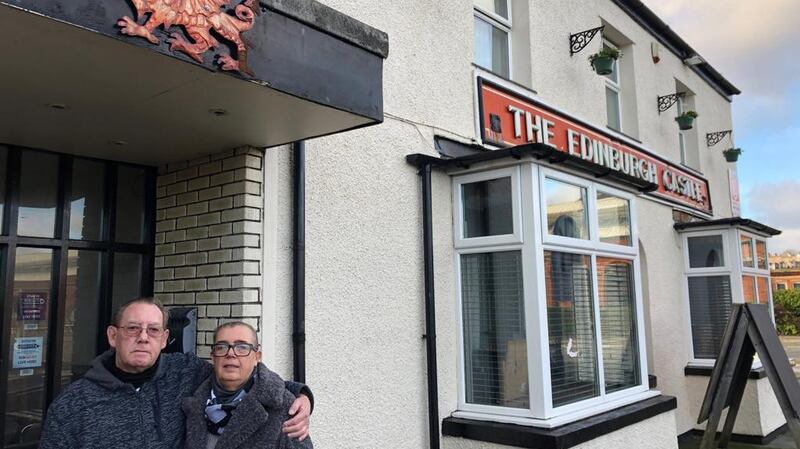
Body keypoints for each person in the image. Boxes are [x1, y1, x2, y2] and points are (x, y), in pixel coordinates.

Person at [40, 297, 311, 448]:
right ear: (113, 336)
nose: (143, 337)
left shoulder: (185, 373)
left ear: (164, 338)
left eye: (153, 330)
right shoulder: (72, 405)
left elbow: (239, 373)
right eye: (133, 328)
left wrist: (300, 394)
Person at [182, 322, 313, 449]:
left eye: (242, 347)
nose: (231, 353)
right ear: (213, 356)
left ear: (257, 357)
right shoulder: (193, 399)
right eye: (222, 347)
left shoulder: (285, 409)